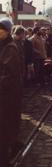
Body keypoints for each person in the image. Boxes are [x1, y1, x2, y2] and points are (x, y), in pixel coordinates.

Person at [0, 18, 22, 166]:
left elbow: (9, 75)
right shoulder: (3, 45)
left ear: (7, 32)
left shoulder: (10, 48)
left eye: (1, 30)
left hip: (6, 96)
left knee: (4, 129)